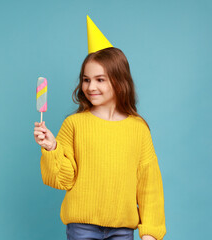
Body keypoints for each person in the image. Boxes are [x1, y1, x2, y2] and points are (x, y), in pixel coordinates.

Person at [34, 16, 166, 240]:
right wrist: (52, 147)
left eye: (100, 80)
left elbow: (149, 183)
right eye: (86, 79)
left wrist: (151, 232)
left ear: (119, 81)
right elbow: (62, 180)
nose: (90, 87)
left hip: (123, 230)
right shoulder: (74, 124)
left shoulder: (138, 129)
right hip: (81, 229)